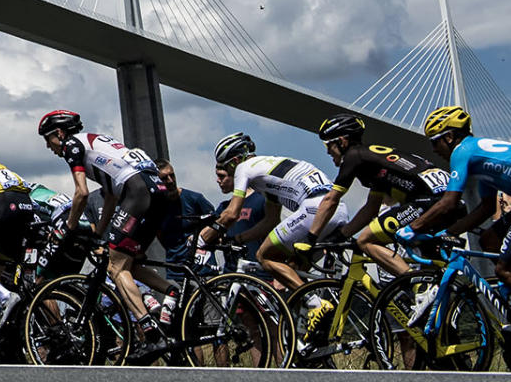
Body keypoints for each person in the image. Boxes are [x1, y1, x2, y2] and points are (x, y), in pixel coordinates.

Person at [401, 106, 511, 367]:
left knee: (505, 269)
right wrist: (448, 233)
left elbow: (449, 202)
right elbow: (486, 207)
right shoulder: (481, 158)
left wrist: (412, 228)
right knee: (488, 239)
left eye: (435, 141)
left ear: (449, 137)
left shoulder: (462, 152)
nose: (434, 149)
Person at [39, 109, 174, 344]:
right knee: (130, 261)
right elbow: (110, 197)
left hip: (137, 193)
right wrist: (99, 234)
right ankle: (174, 292)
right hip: (158, 192)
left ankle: (149, 330)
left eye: (48, 139)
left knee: (115, 267)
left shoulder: (72, 145)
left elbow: (81, 193)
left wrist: (69, 228)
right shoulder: (98, 142)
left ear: (59, 133)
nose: (49, 147)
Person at [197, 133, 349, 292]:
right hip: (337, 209)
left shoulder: (244, 168)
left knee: (264, 256)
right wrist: (238, 239)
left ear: (235, 161)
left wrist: (202, 240)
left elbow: (232, 214)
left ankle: (314, 303)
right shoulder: (269, 171)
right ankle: (307, 313)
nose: (226, 172)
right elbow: (271, 220)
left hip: (315, 209)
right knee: (293, 268)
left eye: (225, 167)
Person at [307, 112, 447, 279]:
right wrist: (341, 236)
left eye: (328, 145)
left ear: (342, 141)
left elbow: (331, 200)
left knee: (366, 241)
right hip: (446, 200)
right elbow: (371, 208)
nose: (328, 152)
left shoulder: (353, 157)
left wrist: (310, 238)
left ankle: (419, 286)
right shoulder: (373, 161)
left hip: (427, 202)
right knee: (433, 268)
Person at [155, 162, 216, 277]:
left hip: (202, 271)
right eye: (164, 178)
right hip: (175, 271)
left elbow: (216, 224)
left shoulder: (195, 199)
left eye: (172, 175)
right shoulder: (157, 207)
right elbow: (159, 234)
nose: (170, 181)